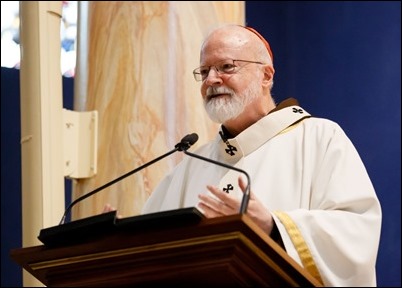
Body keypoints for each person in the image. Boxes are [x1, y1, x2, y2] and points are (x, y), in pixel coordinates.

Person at [105, 24, 382, 286]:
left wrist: (273, 225)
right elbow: (155, 248)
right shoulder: (191, 165)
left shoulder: (319, 138)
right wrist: (118, 242)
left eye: (226, 67)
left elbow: (358, 232)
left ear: (266, 75)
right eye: (204, 71)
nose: (212, 80)